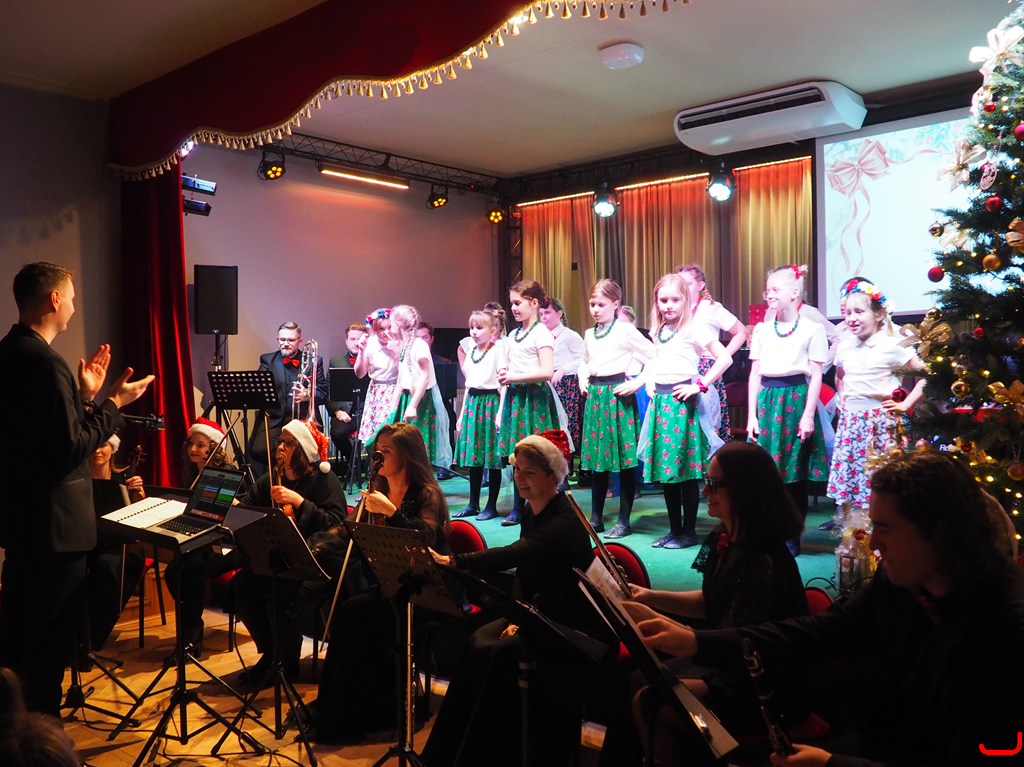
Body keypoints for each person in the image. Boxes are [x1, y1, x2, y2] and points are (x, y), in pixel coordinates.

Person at [631, 449, 1024, 766]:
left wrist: (832, 764)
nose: (873, 544)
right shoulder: (907, 579)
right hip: (883, 744)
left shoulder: (1005, 629)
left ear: (941, 531)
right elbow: (817, 631)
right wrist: (697, 642)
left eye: (885, 529)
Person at [0, 262, 154, 715]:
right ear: (54, 299)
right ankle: (44, 738)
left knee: (17, 644)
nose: (72, 305)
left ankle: (17, 734)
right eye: (70, 297)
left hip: (23, 524)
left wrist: (85, 398)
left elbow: (44, 440)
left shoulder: (8, 352)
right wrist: (113, 403)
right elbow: (69, 450)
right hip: (57, 531)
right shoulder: (46, 363)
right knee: (46, 653)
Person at [599, 441, 808, 766]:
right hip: (731, 665)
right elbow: (711, 600)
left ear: (744, 489)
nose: (705, 490)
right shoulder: (724, 535)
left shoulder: (764, 558)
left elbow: (739, 641)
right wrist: (649, 596)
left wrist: (661, 621)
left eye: (714, 483)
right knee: (631, 679)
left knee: (649, 699)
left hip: (762, 686)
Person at [422, 434, 609, 767]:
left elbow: (512, 555)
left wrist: (454, 561)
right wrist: (515, 616)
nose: (520, 478)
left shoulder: (563, 520)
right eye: (518, 470)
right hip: (542, 613)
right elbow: (524, 573)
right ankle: (458, 754)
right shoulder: (535, 513)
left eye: (530, 472)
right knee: (478, 642)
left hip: (575, 625)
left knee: (500, 653)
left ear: (553, 477)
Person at [311, 422, 454, 741]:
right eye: (377, 450)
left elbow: (426, 537)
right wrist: (319, 542)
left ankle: (373, 710)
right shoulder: (379, 490)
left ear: (407, 455)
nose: (378, 457)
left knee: (357, 612)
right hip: (395, 584)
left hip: (427, 588)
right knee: (349, 611)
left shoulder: (426, 493)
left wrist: (391, 511)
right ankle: (337, 707)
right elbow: (348, 527)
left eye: (386, 451)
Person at [233, 418, 346, 684]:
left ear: (303, 448)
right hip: (279, 559)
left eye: (288, 442)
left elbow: (337, 524)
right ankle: (271, 654)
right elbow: (247, 508)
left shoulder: (323, 479)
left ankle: (286, 666)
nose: (280, 447)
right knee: (241, 589)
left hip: (315, 563)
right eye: (280, 442)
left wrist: (299, 501)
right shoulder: (271, 479)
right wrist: (232, 506)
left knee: (281, 599)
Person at [640, 273, 732, 549]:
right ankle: (674, 530)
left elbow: (725, 358)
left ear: (686, 301)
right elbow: (655, 362)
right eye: (663, 300)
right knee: (667, 473)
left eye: (675, 300)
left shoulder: (694, 328)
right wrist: (650, 380)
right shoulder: (658, 331)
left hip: (682, 406)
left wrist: (700, 385)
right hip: (661, 405)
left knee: (686, 472)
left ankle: (689, 532)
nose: (668, 305)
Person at [747, 264, 830, 555]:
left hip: (796, 400)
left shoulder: (811, 329)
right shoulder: (762, 329)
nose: (769, 294)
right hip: (768, 400)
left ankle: (792, 536)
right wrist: (751, 415)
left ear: (794, 293)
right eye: (767, 290)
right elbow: (755, 374)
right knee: (767, 474)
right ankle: (768, 531)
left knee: (794, 476)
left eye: (775, 289)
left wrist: (808, 415)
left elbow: (816, 374)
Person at [827, 280, 926, 516]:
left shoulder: (892, 345)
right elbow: (841, 375)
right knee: (853, 488)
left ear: (879, 314)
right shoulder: (845, 347)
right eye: (848, 313)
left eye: (859, 312)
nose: (852, 318)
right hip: (851, 424)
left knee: (883, 484)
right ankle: (854, 534)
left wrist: (906, 404)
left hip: (879, 423)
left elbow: (928, 375)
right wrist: (844, 397)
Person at [578, 279, 655, 538]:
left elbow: (654, 356)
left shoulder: (624, 330)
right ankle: (596, 518)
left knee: (624, 460)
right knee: (598, 460)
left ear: (615, 304)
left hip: (617, 396)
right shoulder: (590, 334)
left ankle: (624, 521)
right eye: (592, 304)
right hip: (596, 397)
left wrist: (638, 383)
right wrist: (583, 377)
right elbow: (584, 362)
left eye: (601, 304)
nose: (596, 309)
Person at [496, 279, 572, 526]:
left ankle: (544, 505)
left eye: (518, 303)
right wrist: (506, 373)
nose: (514, 308)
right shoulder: (515, 334)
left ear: (534, 303)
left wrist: (514, 377)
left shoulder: (541, 333)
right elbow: (514, 365)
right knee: (518, 452)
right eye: (512, 304)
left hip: (535, 400)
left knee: (537, 452)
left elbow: (547, 371)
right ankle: (518, 507)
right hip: (516, 398)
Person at [164, 418, 240, 656]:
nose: (193, 449)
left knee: (192, 567)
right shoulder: (192, 474)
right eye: (192, 444)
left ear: (214, 448)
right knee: (173, 571)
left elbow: (230, 517)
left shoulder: (225, 473)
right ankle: (192, 626)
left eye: (200, 445)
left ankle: (191, 636)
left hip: (229, 543)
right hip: (203, 541)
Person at [86, 433, 147, 653]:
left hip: (123, 548)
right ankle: (74, 636)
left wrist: (139, 493)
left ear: (113, 449)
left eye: (103, 445)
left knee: (105, 567)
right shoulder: (78, 480)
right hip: (89, 544)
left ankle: (93, 639)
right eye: (94, 444)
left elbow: (140, 521)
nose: (98, 450)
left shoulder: (125, 479)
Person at [677, 264, 748, 443]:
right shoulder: (674, 308)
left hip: (705, 369)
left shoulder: (711, 308)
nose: (683, 288)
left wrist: (723, 354)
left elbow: (742, 332)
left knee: (707, 420)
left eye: (688, 284)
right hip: (682, 368)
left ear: (700, 285)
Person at [249, 321, 330, 474]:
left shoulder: (314, 360)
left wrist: (306, 395)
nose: (286, 343)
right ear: (277, 339)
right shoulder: (268, 360)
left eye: (291, 340)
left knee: (308, 451)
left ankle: (293, 475)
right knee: (257, 450)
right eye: (282, 339)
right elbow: (259, 387)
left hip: (302, 419)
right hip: (275, 418)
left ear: (300, 341)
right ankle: (285, 470)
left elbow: (324, 393)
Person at [453, 309, 508, 519]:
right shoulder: (471, 352)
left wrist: (500, 412)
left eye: (479, 327)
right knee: (474, 457)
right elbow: (469, 385)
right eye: (472, 328)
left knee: (492, 458)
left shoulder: (497, 352)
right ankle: (473, 504)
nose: (474, 332)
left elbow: (503, 385)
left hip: (490, 402)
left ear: (492, 331)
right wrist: (461, 414)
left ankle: (491, 506)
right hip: (473, 404)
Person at [386, 304, 453, 471]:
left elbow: (425, 376)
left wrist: (413, 405)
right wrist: (393, 405)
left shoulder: (419, 345)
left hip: (419, 400)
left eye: (391, 322)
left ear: (398, 324)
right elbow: (402, 378)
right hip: (406, 398)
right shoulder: (404, 345)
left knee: (416, 449)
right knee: (400, 446)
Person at [540, 297, 585, 452]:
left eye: (547, 313)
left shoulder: (570, 335)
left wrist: (564, 369)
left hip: (565, 383)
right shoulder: (540, 335)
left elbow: (583, 359)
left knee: (566, 421)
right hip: (546, 382)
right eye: (541, 314)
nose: (544, 317)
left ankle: (567, 458)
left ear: (559, 314)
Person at [355, 308, 400, 448]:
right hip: (377, 391)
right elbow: (360, 374)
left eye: (389, 327)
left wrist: (396, 353)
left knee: (395, 434)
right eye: (381, 329)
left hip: (396, 389)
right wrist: (361, 351)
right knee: (377, 435)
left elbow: (405, 373)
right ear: (374, 330)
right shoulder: (370, 343)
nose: (386, 332)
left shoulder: (400, 342)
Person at [325, 322, 366, 464]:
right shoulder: (335, 362)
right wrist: (337, 411)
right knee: (337, 433)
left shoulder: (374, 361)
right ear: (347, 341)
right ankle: (354, 464)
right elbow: (328, 392)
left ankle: (372, 469)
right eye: (352, 339)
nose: (356, 343)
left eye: (359, 339)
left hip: (368, 414)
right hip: (345, 414)